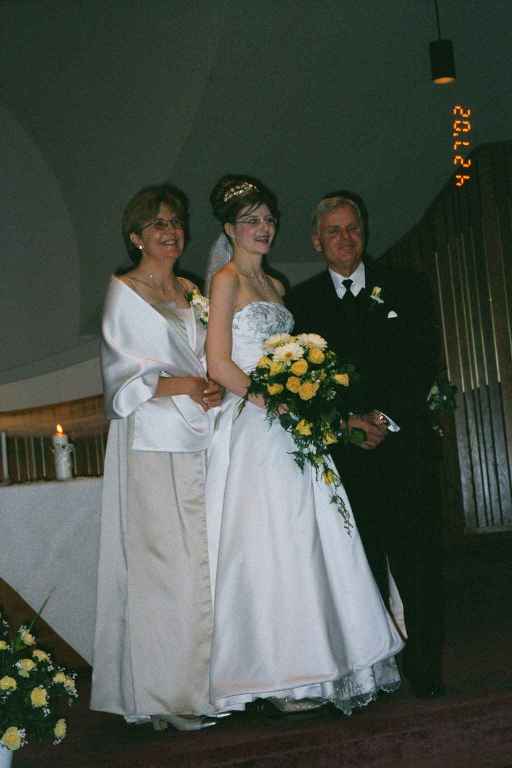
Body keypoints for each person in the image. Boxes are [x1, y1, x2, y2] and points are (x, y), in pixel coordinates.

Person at [205, 174, 403, 716]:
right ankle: (281, 674)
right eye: (252, 222)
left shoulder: (278, 287)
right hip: (255, 426)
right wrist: (279, 402)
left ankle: (320, 666)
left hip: (294, 426)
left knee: (314, 540)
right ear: (230, 229)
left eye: (268, 219)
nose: (263, 229)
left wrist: (306, 398)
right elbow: (218, 364)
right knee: (273, 543)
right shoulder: (225, 281)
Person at [288, 191, 444, 698]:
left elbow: (421, 360)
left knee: (418, 561)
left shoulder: (407, 286)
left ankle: (426, 667)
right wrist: (346, 423)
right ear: (316, 241)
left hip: (405, 447)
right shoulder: (300, 303)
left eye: (352, 228)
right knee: (363, 565)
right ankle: (377, 669)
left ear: (365, 231)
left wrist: (382, 417)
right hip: (345, 455)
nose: (344, 238)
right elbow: (297, 382)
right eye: (333, 231)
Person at [90, 183, 222, 731]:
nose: (170, 231)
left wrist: (211, 384)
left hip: (201, 436)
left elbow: (209, 355)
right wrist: (186, 384)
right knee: (163, 569)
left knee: (203, 565)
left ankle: (205, 683)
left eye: (176, 222)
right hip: (151, 442)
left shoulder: (191, 289)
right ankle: (167, 695)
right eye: (158, 224)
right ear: (136, 236)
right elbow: (121, 379)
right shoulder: (124, 293)